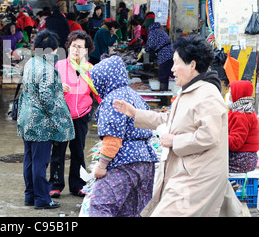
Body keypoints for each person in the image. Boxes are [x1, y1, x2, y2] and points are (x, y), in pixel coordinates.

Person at [113, 34, 244, 217]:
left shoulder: (208, 95)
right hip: (185, 173)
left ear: (192, 65)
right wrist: (135, 113)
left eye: (176, 63)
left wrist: (175, 140)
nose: (172, 69)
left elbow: (209, 136)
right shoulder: (190, 91)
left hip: (197, 178)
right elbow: (169, 120)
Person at [88, 55, 158, 217]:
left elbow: (113, 139)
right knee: (133, 210)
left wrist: (102, 165)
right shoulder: (134, 95)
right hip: (146, 162)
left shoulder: (113, 99)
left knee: (100, 206)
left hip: (125, 163)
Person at [17, 29, 75, 209]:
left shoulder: (30, 63)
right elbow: (47, 99)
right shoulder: (47, 69)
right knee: (40, 163)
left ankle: (30, 196)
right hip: (41, 124)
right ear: (51, 50)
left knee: (30, 160)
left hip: (27, 120)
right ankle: (42, 199)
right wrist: (60, 122)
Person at [50, 31, 100, 198]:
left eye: (80, 47)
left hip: (82, 115)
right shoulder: (59, 66)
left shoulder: (90, 69)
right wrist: (58, 87)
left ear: (86, 50)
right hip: (62, 116)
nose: (76, 50)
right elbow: (48, 89)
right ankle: (55, 184)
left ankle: (77, 185)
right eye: (73, 46)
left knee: (78, 151)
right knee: (58, 152)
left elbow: (97, 92)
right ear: (68, 47)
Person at [226, 80, 259, 173]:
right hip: (246, 158)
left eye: (230, 92)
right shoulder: (244, 110)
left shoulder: (241, 114)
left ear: (238, 94)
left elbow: (235, 142)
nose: (228, 96)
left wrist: (218, 135)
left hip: (242, 159)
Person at [144, 22, 174, 94]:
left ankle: (163, 95)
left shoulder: (153, 32)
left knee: (163, 75)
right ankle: (168, 94)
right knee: (169, 73)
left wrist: (146, 49)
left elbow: (150, 45)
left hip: (164, 54)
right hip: (170, 52)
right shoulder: (160, 31)